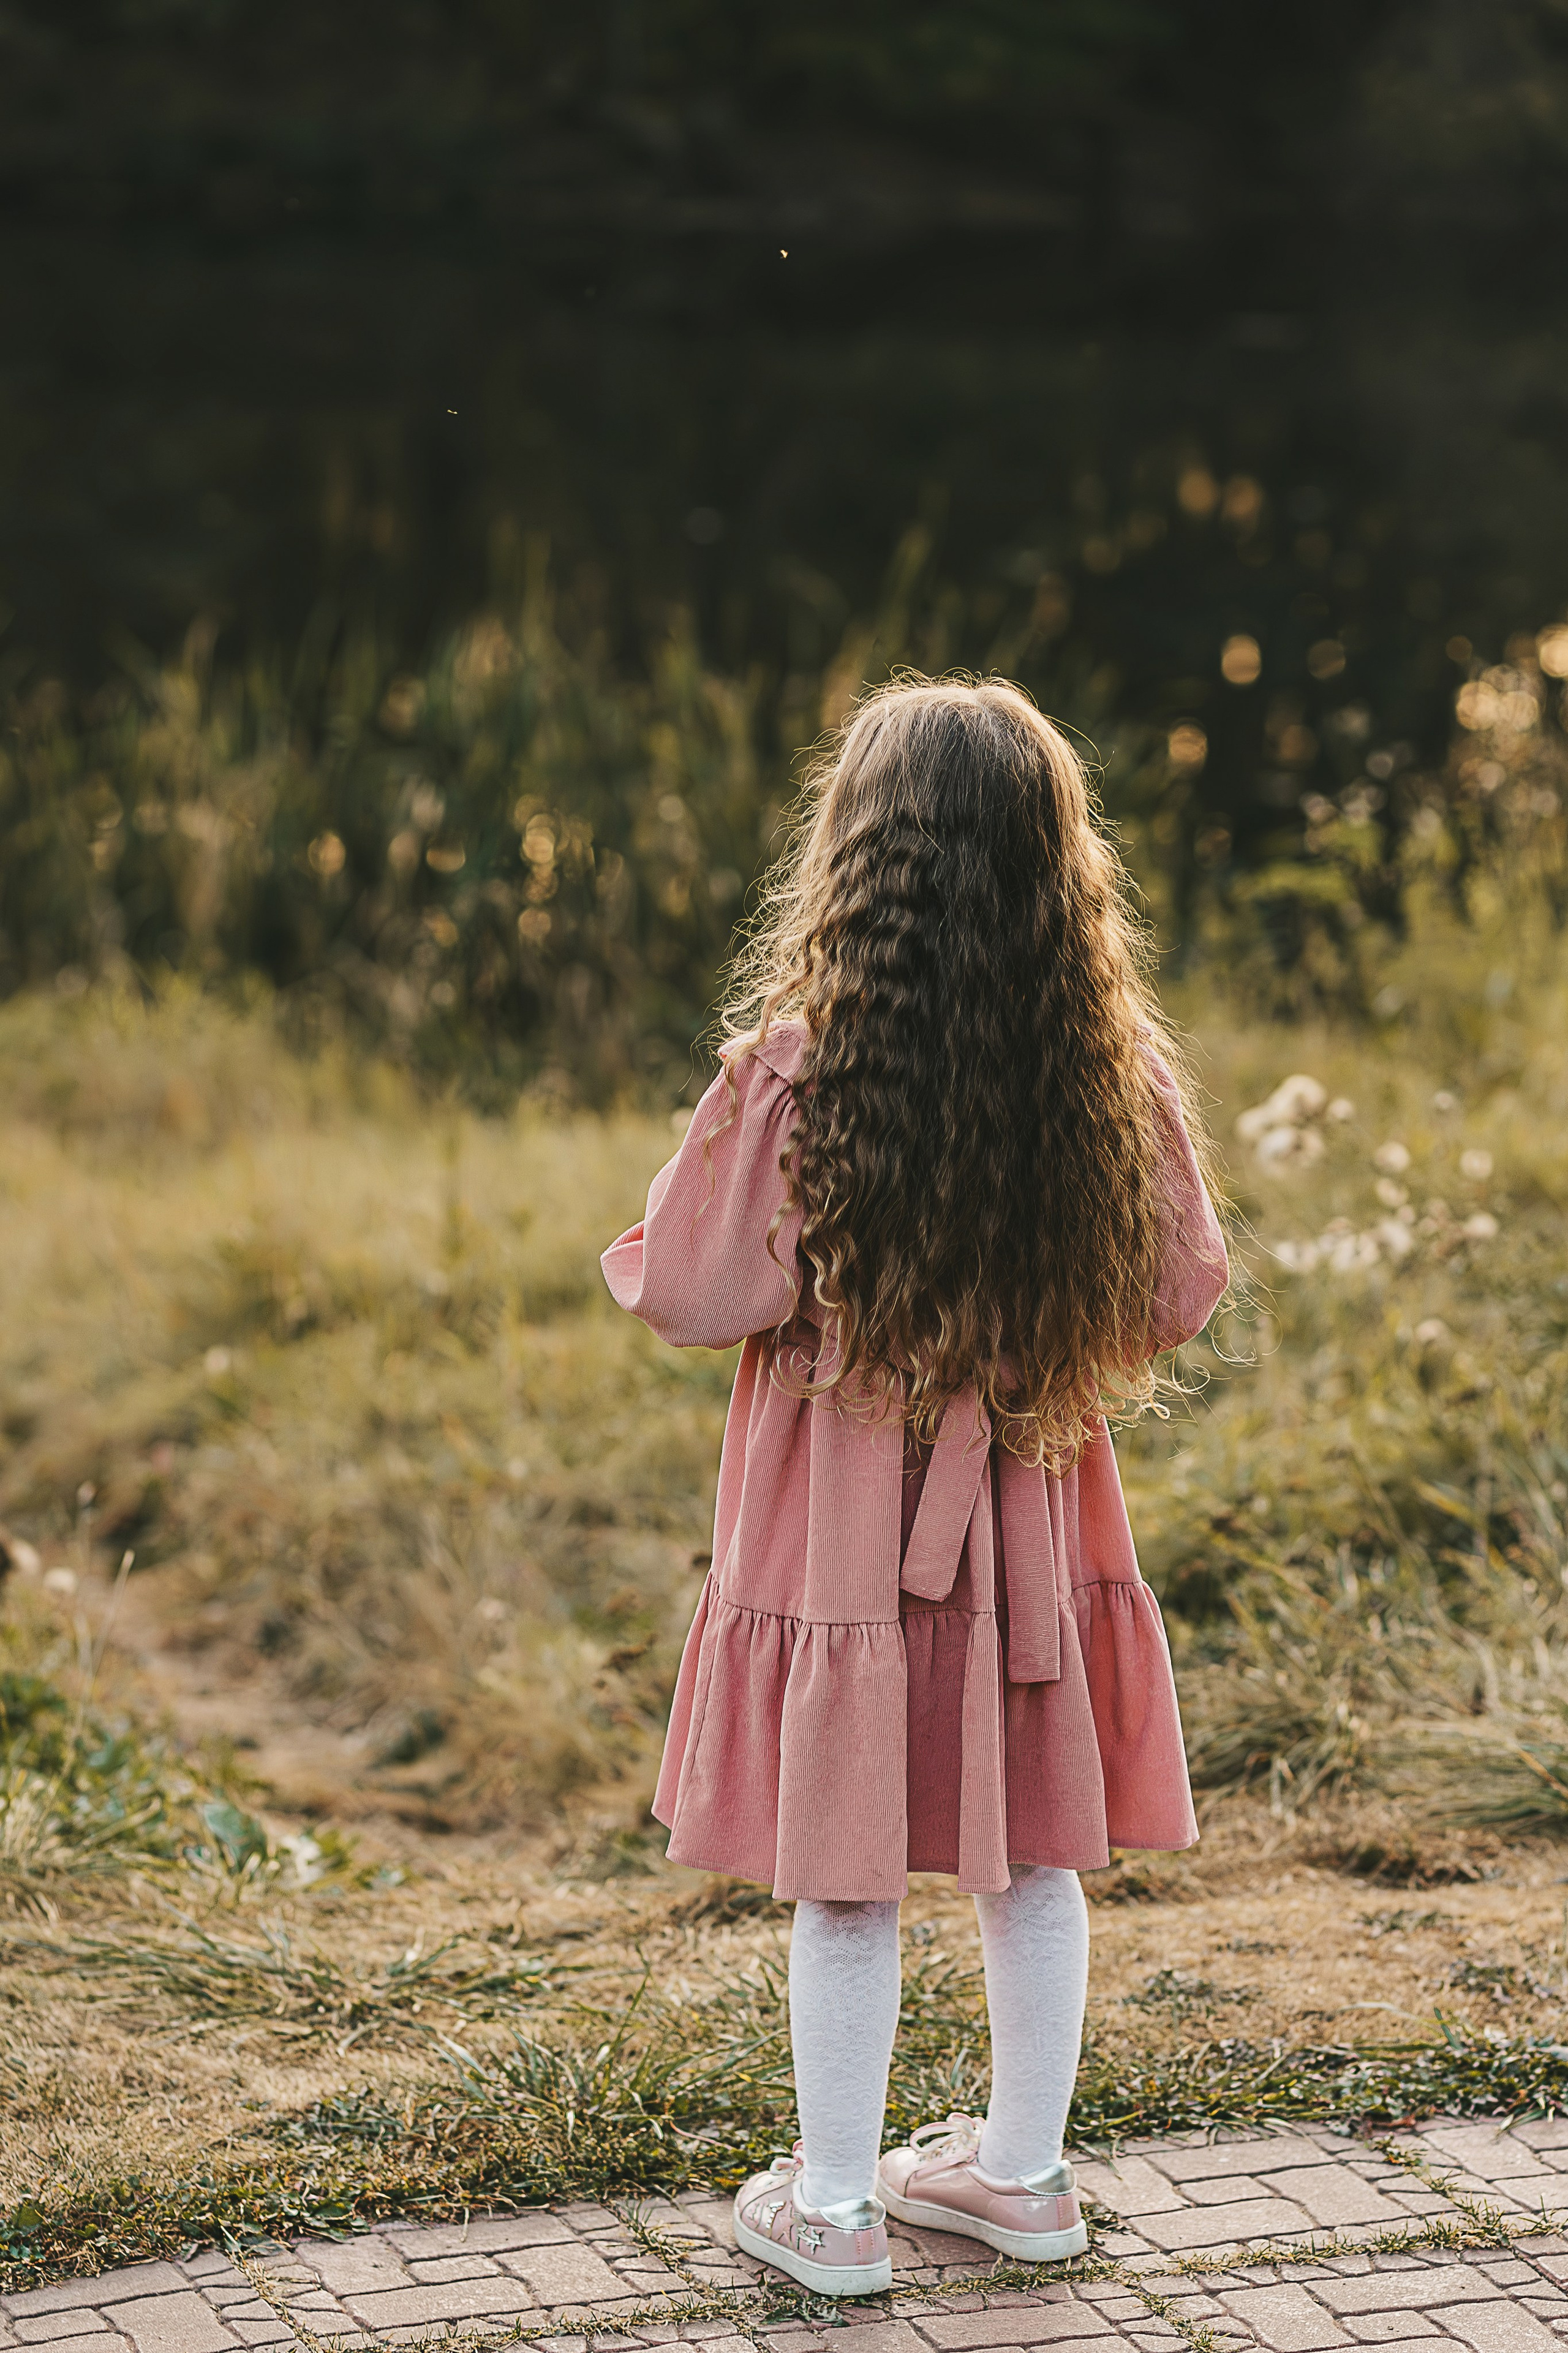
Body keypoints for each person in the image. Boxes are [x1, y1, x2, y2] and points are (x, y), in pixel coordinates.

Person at [601, 676, 1228, 2295]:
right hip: (1031, 1522)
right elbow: (1180, 1288)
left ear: (857, 857)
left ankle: (836, 2203)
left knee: (847, 1861)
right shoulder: (1102, 1074)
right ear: (1053, 862)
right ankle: (1019, 2171)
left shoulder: (798, 1077)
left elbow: (689, 1290)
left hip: (844, 1544)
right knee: (1035, 1853)